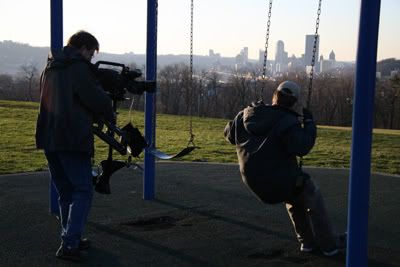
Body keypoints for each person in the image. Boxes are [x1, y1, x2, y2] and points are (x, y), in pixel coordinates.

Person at [224, 81, 345, 256]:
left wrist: (246, 112)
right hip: (278, 182)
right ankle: (330, 245)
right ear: (294, 102)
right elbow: (302, 147)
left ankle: (308, 242)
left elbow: (228, 134)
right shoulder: (287, 121)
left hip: (253, 181)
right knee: (311, 193)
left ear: (274, 95)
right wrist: (309, 123)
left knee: (295, 195)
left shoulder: (245, 115)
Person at [35, 30, 114, 262]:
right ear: (84, 48)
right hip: (71, 137)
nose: (91, 58)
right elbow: (96, 99)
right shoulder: (77, 68)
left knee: (66, 191)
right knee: (82, 190)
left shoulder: (51, 68)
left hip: (50, 137)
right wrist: (108, 108)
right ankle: (70, 243)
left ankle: (69, 236)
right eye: (91, 53)